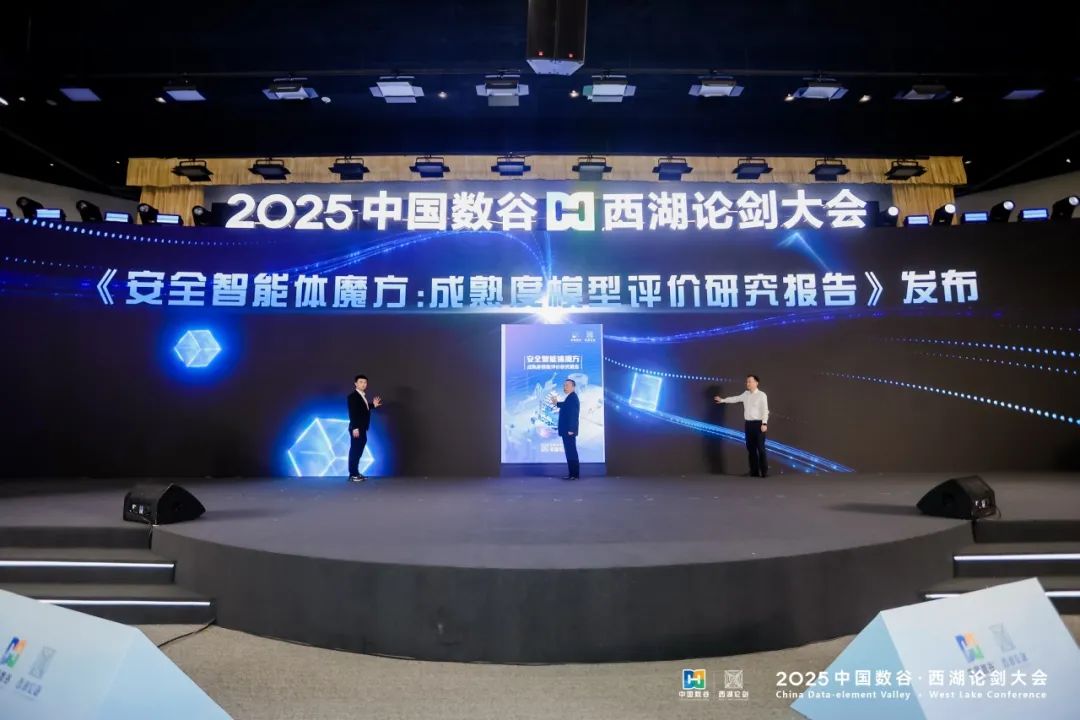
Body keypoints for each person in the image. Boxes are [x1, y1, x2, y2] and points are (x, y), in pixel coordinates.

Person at [714, 375, 769, 477]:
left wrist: (764, 423)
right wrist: (723, 400)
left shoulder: (762, 395)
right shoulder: (745, 394)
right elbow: (735, 398)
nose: (748, 383)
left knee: (761, 448)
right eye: (747, 382)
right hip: (748, 425)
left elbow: (765, 410)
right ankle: (754, 472)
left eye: (750, 381)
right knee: (751, 449)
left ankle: (764, 471)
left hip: (759, 424)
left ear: (756, 383)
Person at [347, 374, 382, 482]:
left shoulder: (361, 395)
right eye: (361, 382)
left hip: (362, 427)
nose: (363, 384)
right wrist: (355, 427)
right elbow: (353, 412)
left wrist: (373, 405)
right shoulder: (353, 396)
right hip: (357, 428)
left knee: (358, 451)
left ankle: (356, 473)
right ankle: (353, 474)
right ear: (356, 383)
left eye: (365, 382)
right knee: (355, 451)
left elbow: (363, 409)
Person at [549, 378, 580, 480]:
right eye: (564, 385)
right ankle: (572, 474)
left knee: (571, 452)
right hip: (567, 431)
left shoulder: (573, 398)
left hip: (569, 431)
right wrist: (556, 403)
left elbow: (573, 415)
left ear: (573, 387)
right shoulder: (570, 398)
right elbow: (565, 406)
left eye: (567, 385)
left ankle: (574, 474)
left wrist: (571, 429)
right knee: (569, 452)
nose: (564, 387)